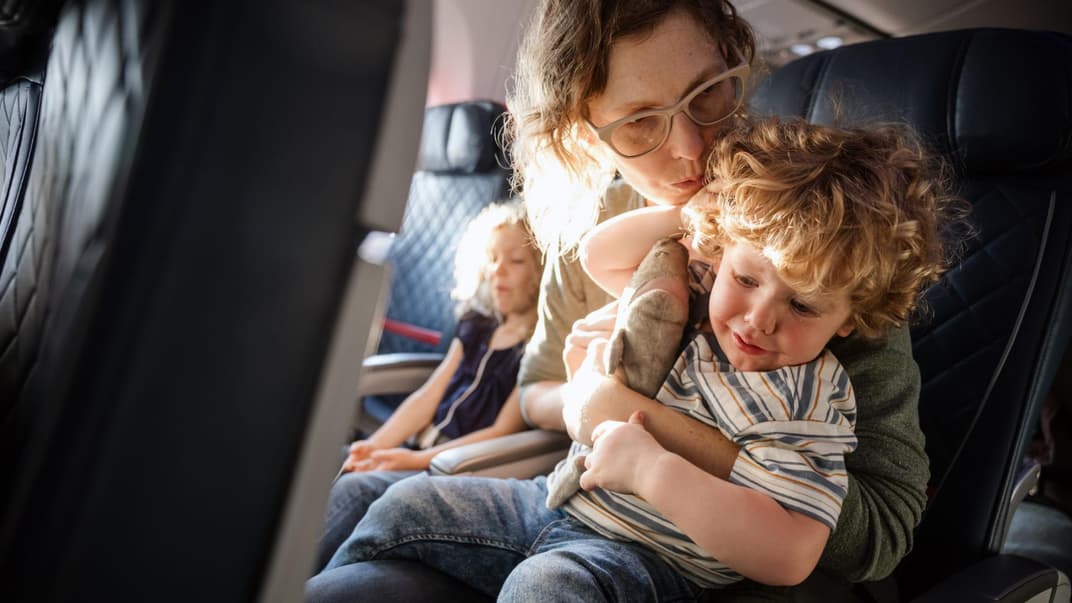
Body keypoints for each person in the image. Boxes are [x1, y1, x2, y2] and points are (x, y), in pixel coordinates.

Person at [308, 1, 935, 600]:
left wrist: (627, 416)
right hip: (577, 494)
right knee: (371, 498)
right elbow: (535, 387)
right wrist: (581, 394)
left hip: (687, 552)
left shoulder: (823, 241)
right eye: (639, 121)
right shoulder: (606, 221)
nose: (690, 147)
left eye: (707, 93)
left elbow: (881, 530)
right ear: (584, 135)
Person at [541, 115, 956, 589]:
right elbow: (598, 255)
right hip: (567, 501)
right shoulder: (702, 290)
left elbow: (801, 550)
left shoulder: (811, 403)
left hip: (643, 556)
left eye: (801, 305)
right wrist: (694, 216)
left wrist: (644, 457)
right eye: (745, 279)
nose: (759, 319)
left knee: (550, 584)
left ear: (851, 320)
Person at [314, 201, 542, 571]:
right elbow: (428, 396)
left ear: (542, 270)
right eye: (492, 258)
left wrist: (412, 460)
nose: (498, 270)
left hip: (451, 470)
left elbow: (503, 430)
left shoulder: (537, 348)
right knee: (338, 458)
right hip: (416, 450)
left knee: (357, 488)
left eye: (516, 261)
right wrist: (375, 446)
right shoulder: (478, 325)